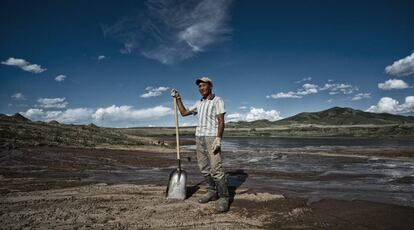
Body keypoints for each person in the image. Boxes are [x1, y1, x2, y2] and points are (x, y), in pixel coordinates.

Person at [171, 77, 230, 213]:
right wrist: (178, 98)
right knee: (203, 167)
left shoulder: (217, 100)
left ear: (210, 86)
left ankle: (224, 197)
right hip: (199, 138)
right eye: (199, 86)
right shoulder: (199, 103)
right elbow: (184, 113)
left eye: (203, 85)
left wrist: (218, 139)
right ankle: (211, 191)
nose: (201, 88)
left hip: (211, 138)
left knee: (216, 169)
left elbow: (221, 121)